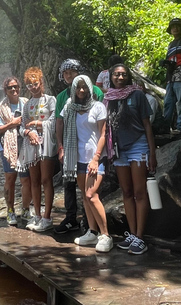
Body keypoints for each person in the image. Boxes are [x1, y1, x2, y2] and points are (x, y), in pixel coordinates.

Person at [57, 75, 113, 252]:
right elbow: (59, 125)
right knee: (84, 195)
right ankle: (92, 231)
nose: (81, 90)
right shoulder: (69, 107)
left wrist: (96, 158)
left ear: (90, 88)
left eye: (84, 87)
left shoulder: (98, 107)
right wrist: (62, 148)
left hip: (95, 157)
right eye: (78, 87)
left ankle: (106, 235)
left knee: (91, 195)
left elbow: (103, 134)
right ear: (73, 89)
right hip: (77, 158)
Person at [106, 63, 157, 255]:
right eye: (116, 74)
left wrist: (152, 153)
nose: (120, 77)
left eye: (123, 75)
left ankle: (140, 237)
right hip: (120, 149)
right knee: (126, 192)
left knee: (139, 192)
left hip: (139, 146)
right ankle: (133, 235)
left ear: (128, 77)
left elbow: (147, 125)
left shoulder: (137, 95)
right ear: (111, 77)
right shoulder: (109, 98)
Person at [53, 59, 104, 234]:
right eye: (66, 73)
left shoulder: (95, 92)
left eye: (72, 72)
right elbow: (59, 123)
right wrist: (60, 146)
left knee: (91, 190)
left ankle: (92, 225)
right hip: (70, 145)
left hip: (91, 147)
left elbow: (103, 118)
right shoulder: (62, 98)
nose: (69, 75)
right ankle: (71, 217)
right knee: (69, 182)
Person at [17, 67, 57, 232]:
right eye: (29, 85)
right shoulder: (27, 105)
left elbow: (55, 121)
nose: (33, 87)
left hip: (46, 144)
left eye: (35, 83)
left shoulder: (50, 100)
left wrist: (37, 124)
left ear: (41, 83)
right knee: (34, 181)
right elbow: (21, 126)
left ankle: (47, 217)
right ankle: (37, 215)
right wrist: (28, 132)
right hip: (31, 145)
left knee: (46, 180)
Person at [0, 76, 31, 226]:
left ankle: (26, 209)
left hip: (25, 145)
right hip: (8, 148)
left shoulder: (26, 103)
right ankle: (10, 210)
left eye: (16, 86)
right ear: (5, 90)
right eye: (10, 87)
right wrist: (13, 123)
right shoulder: (1, 108)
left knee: (25, 179)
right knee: (10, 179)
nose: (14, 89)